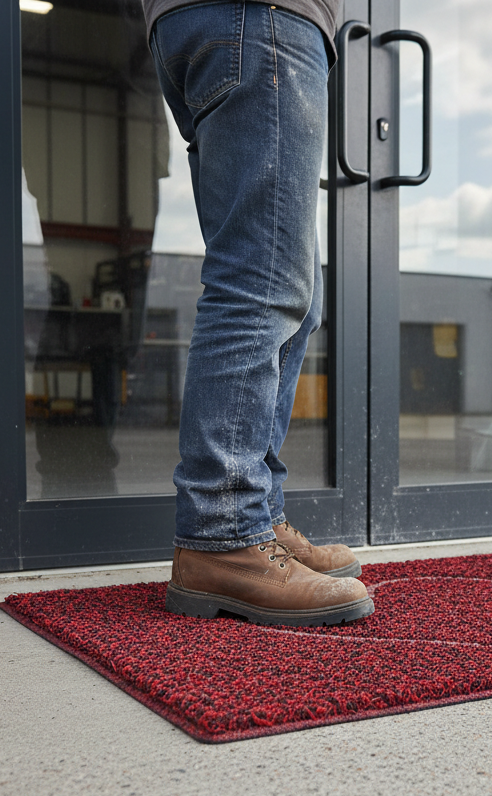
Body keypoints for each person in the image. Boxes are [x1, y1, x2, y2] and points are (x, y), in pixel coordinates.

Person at [142, 0, 373, 626]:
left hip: (233, 23)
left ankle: (257, 517)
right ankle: (224, 535)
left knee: (294, 295)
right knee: (259, 284)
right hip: (259, 18)